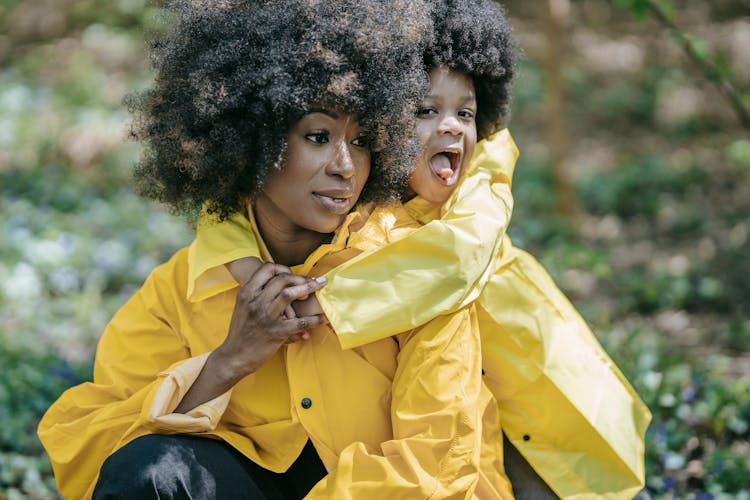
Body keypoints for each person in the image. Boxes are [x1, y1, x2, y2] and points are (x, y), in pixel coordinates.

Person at [39, 1, 521, 498]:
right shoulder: (182, 290)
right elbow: (95, 451)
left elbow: (434, 467)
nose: (345, 167)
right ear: (250, 140)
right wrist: (229, 361)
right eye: (318, 135)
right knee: (151, 468)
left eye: (361, 141)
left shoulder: (417, 276)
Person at [206, 0, 652, 497]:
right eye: (425, 110)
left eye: (466, 112)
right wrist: (246, 267)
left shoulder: (481, 182)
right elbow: (224, 213)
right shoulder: (365, 195)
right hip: (468, 401)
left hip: (531, 388)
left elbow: (455, 261)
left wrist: (320, 301)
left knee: (561, 480)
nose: (452, 126)